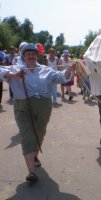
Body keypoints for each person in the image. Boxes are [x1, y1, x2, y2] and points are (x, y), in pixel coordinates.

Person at [0, 43, 74, 183]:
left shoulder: (46, 70)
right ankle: (31, 172)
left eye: (33, 53)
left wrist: (69, 69)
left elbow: (61, 77)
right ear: (23, 56)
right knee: (27, 136)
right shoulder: (15, 68)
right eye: (28, 53)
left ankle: (34, 156)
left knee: (40, 133)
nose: (31, 55)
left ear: (37, 55)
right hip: (23, 106)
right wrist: (13, 75)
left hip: (43, 106)